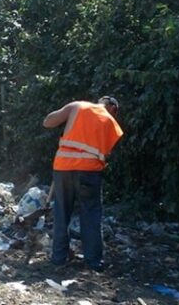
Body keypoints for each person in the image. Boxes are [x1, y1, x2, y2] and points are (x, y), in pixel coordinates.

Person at [43, 96, 123, 272]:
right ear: (113, 109)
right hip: (90, 172)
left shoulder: (78, 106)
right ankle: (94, 263)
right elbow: (105, 153)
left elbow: (48, 122)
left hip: (63, 167)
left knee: (61, 213)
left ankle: (58, 259)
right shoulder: (112, 123)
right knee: (91, 215)